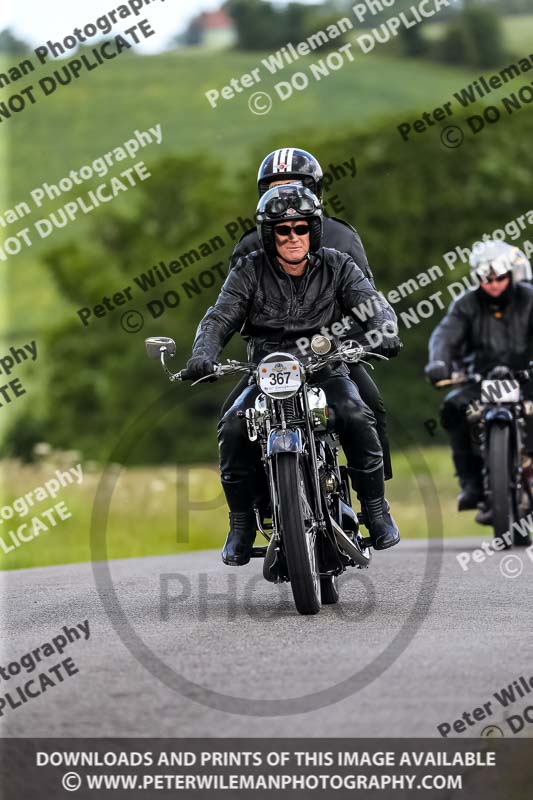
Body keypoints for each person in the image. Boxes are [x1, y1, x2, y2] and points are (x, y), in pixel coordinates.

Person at [184, 184, 402, 566]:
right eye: (282, 231)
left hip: (324, 368)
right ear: (269, 235)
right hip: (266, 370)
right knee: (233, 426)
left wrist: (385, 331)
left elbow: (373, 304)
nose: (292, 237)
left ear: (312, 230)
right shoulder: (248, 270)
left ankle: (376, 509)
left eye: (300, 228)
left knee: (354, 412)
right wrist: (203, 354)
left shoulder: (338, 264)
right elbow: (220, 316)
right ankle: (241, 525)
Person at [217, 148, 395, 482]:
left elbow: (368, 298)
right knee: (232, 420)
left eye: (294, 184)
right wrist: (206, 352)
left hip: (331, 351)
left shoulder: (342, 237)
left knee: (368, 407)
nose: (285, 193)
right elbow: (229, 309)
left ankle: (375, 502)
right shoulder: (249, 245)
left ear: (315, 189)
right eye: (275, 185)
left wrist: (373, 336)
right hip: (272, 360)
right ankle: (250, 509)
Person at [425, 240, 533, 514]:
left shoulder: (529, 297)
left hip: (527, 380)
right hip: (481, 382)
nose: (494, 283)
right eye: (487, 278)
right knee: (453, 407)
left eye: (499, 278)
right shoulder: (466, 304)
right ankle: (471, 484)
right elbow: (445, 335)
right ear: (478, 278)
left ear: (510, 275)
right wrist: (439, 362)